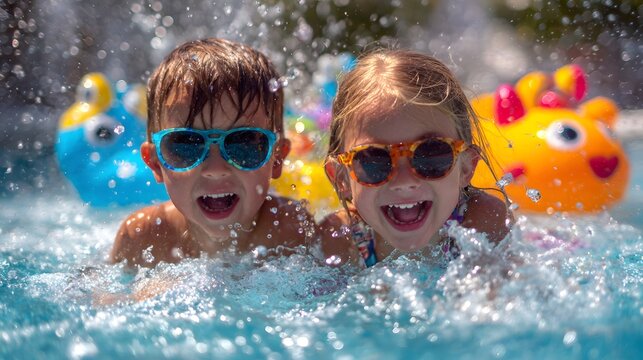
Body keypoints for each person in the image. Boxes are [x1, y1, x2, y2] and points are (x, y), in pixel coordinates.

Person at [110, 38, 314, 267]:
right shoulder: (142, 238)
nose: (216, 170)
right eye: (186, 144)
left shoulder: (292, 231)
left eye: (243, 143)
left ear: (276, 158)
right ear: (156, 163)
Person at [319, 49, 513, 267]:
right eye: (374, 160)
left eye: (431, 155)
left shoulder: (482, 222)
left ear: (466, 167)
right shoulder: (341, 239)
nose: (404, 182)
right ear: (342, 178)